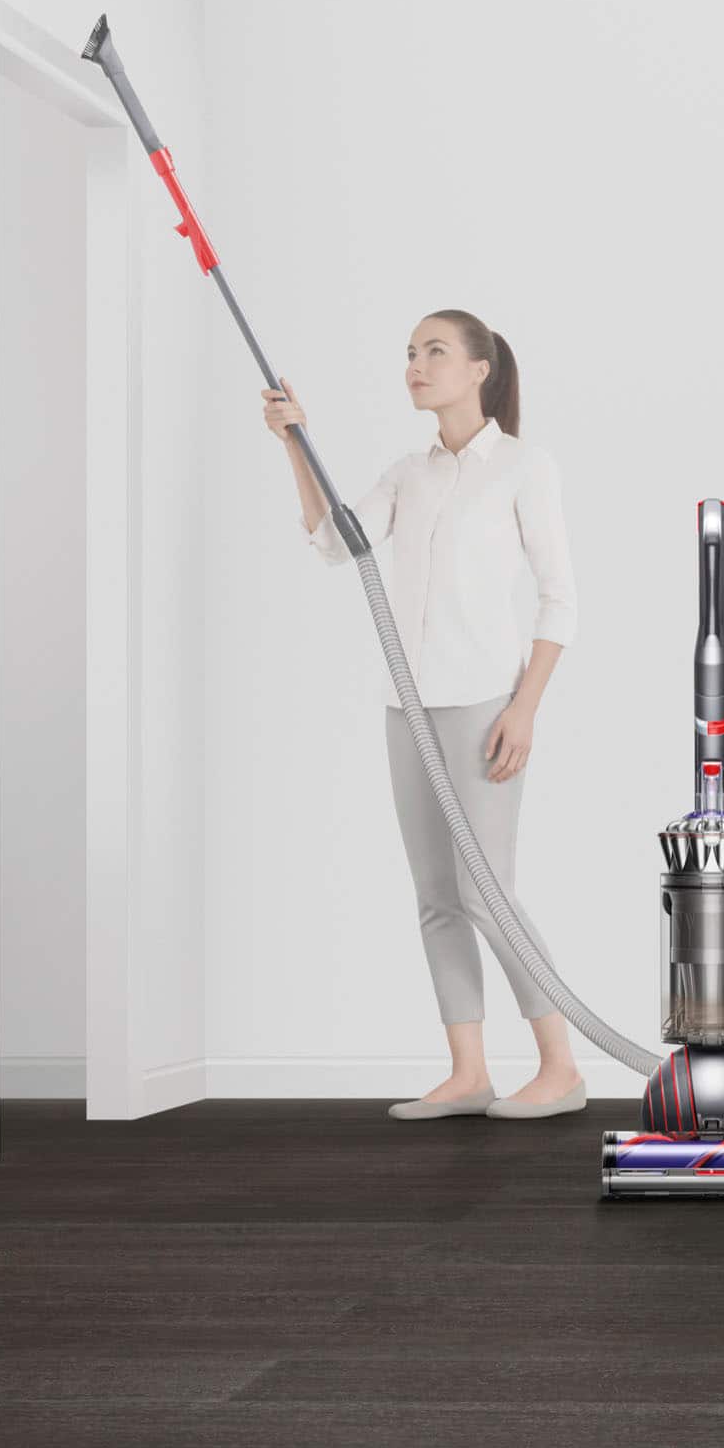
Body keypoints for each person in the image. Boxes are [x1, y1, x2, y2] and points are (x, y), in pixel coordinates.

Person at [263, 308, 587, 1122]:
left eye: (435, 351)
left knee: (488, 894)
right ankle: (468, 1072)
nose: (416, 364)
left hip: (484, 706)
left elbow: (560, 600)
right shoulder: (409, 473)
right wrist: (295, 445)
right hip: (404, 705)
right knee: (437, 893)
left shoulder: (521, 466)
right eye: (410, 353)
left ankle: (561, 1066)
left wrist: (525, 708)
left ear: (480, 368)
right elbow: (337, 545)